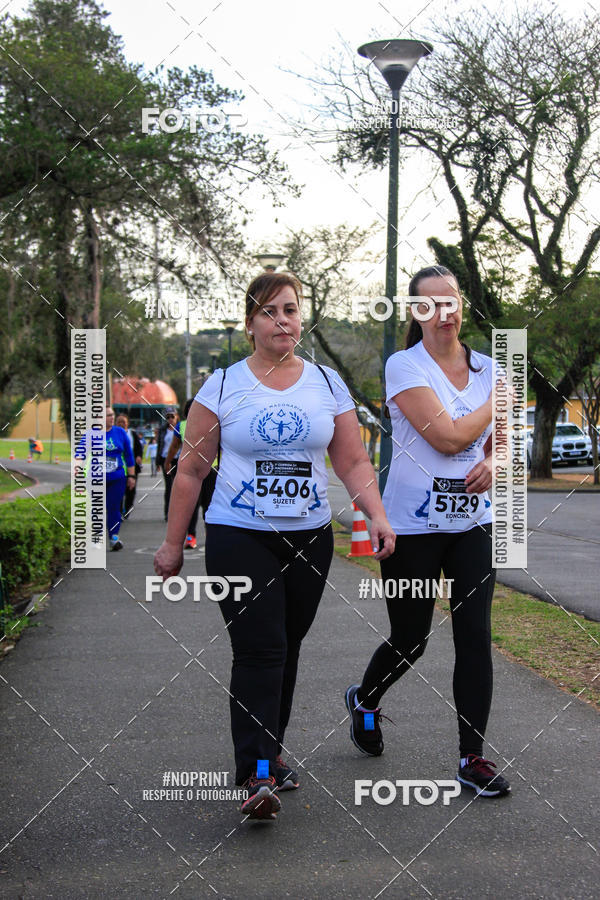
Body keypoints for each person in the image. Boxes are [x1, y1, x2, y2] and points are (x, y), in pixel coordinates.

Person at [154, 272, 395, 820]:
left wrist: (375, 515)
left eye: (290, 309)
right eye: (269, 312)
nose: (282, 319)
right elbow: (190, 469)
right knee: (260, 648)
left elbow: (353, 461)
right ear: (250, 324)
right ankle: (256, 771)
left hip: (309, 536)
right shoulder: (221, 385)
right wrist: (173, 545)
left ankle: (273, 754)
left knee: (286, 645)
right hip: (239, 533)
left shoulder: (328, 384)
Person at [345, 264, 510, 799]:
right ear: (416, 312)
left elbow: (501, 441)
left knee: (474, 638)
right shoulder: (404, 366)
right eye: (433, 303)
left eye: (454, 300)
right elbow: (446, 436)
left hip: (471, 526)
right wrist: (500, 397)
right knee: (412, 638)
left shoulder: (488, 367)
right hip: (410, 527)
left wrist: (496, 461)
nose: (447, 312)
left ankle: (472, 758)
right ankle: (366, 698)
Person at [75, 408, 136, 551]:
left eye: (112, 415)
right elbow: (80, 454)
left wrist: (131, 476)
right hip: (96, 478)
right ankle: (96, 538)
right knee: (97, 508)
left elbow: (129, 455)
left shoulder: (120, 433)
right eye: (108, 415)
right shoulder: (90, 434)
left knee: (114, 508)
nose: (111, 418)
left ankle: (114, 538)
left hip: (117, 477)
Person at [164, 399, 201, 549]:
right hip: (191, 471)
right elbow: (174, 447)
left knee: (210, 506)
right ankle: (191, 536)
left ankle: (212, 535)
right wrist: (167, 462)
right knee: (192, 506)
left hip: (212, 470)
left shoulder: (212, 422)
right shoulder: (182, 426)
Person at [115, 413, 143, 518]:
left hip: (131, 466)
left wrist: (139, 456)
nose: (121, 424)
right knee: (118, 491)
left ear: (127, 423)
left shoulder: (132, 434)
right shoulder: (112, 433)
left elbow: (139, 448)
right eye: (119, 422)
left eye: (123, 422)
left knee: (131, 490)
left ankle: (127, 510)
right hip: (118, 467)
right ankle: (118, 512)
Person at [156, 407, 179, 521]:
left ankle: (179, 513)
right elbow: (160, 446)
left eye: (172, 416)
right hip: (166, 460)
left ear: (177, 416)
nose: (170, 419)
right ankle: (168, 513)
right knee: (169, 487)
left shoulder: (181, 428)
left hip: (179, 460)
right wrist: (158, 462)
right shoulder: (162, 430)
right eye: (168, 417)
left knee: (179, 488)